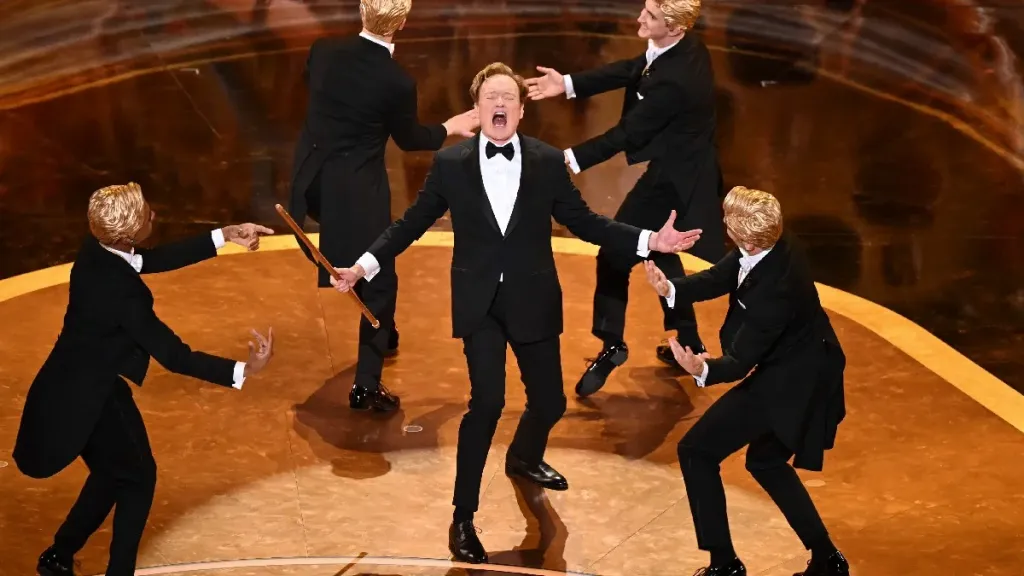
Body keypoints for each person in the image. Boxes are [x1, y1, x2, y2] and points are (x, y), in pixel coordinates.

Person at [328, 62, 702, 564]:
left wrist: (649, 240)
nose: (499, 104)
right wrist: (362, 266)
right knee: (486, 404)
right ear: (477, 109)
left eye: (508, 97)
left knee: (548, 402)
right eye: (491, 97)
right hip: (479, 303)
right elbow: (411, 223)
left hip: (532, 298)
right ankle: (463, 517)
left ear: (522, 110)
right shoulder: (452, 163)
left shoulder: (546, 161)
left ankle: (524, 456)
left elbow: (586, 222)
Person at [12, 183, 276, 576]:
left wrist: (224, 235)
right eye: (145, 214)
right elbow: (175, 356)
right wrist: (245, 369)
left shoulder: (96, 251)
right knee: (138, 477)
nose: (154, 214)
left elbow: (147, 261)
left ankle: (59, 556)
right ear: (126, 234)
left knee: (113, 472)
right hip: (92, 398)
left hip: (71, 382)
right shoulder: (122, 294)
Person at [524, 0, 726, 397]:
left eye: (650, 16)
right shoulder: (684, 47)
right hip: (682, 171)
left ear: (675, 27)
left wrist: (566, 160)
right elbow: (633, 69)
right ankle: (689, 344)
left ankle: (612, 341)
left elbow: (626, 134)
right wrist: (568, 84)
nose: (639, 18)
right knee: (660, 252)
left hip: (674, 181)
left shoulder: (675, 81)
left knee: (616, 252)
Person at [645, 186, 849, 576]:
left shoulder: (775, 293)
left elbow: (739, 363)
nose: (723, 223)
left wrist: (700, 368)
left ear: (748, 240)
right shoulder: (774, 241)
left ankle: (724, 565)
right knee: (766, 461)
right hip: (805, 364)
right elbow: (725, 274)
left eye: (728, 222)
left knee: (697, 451)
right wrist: (672, 289)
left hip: (790, 382)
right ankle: (828, 561)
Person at [287, 0, 480, 413]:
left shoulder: (323, 50)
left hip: (311, 182)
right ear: (403, 22)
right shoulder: (396, 81)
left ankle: (386, 333)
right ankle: (366, 386)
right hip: (355, 191)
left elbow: (314, 88)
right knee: (379, 279)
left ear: (362, 11)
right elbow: (410, 139)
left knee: (362, 259)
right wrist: (450, 126)